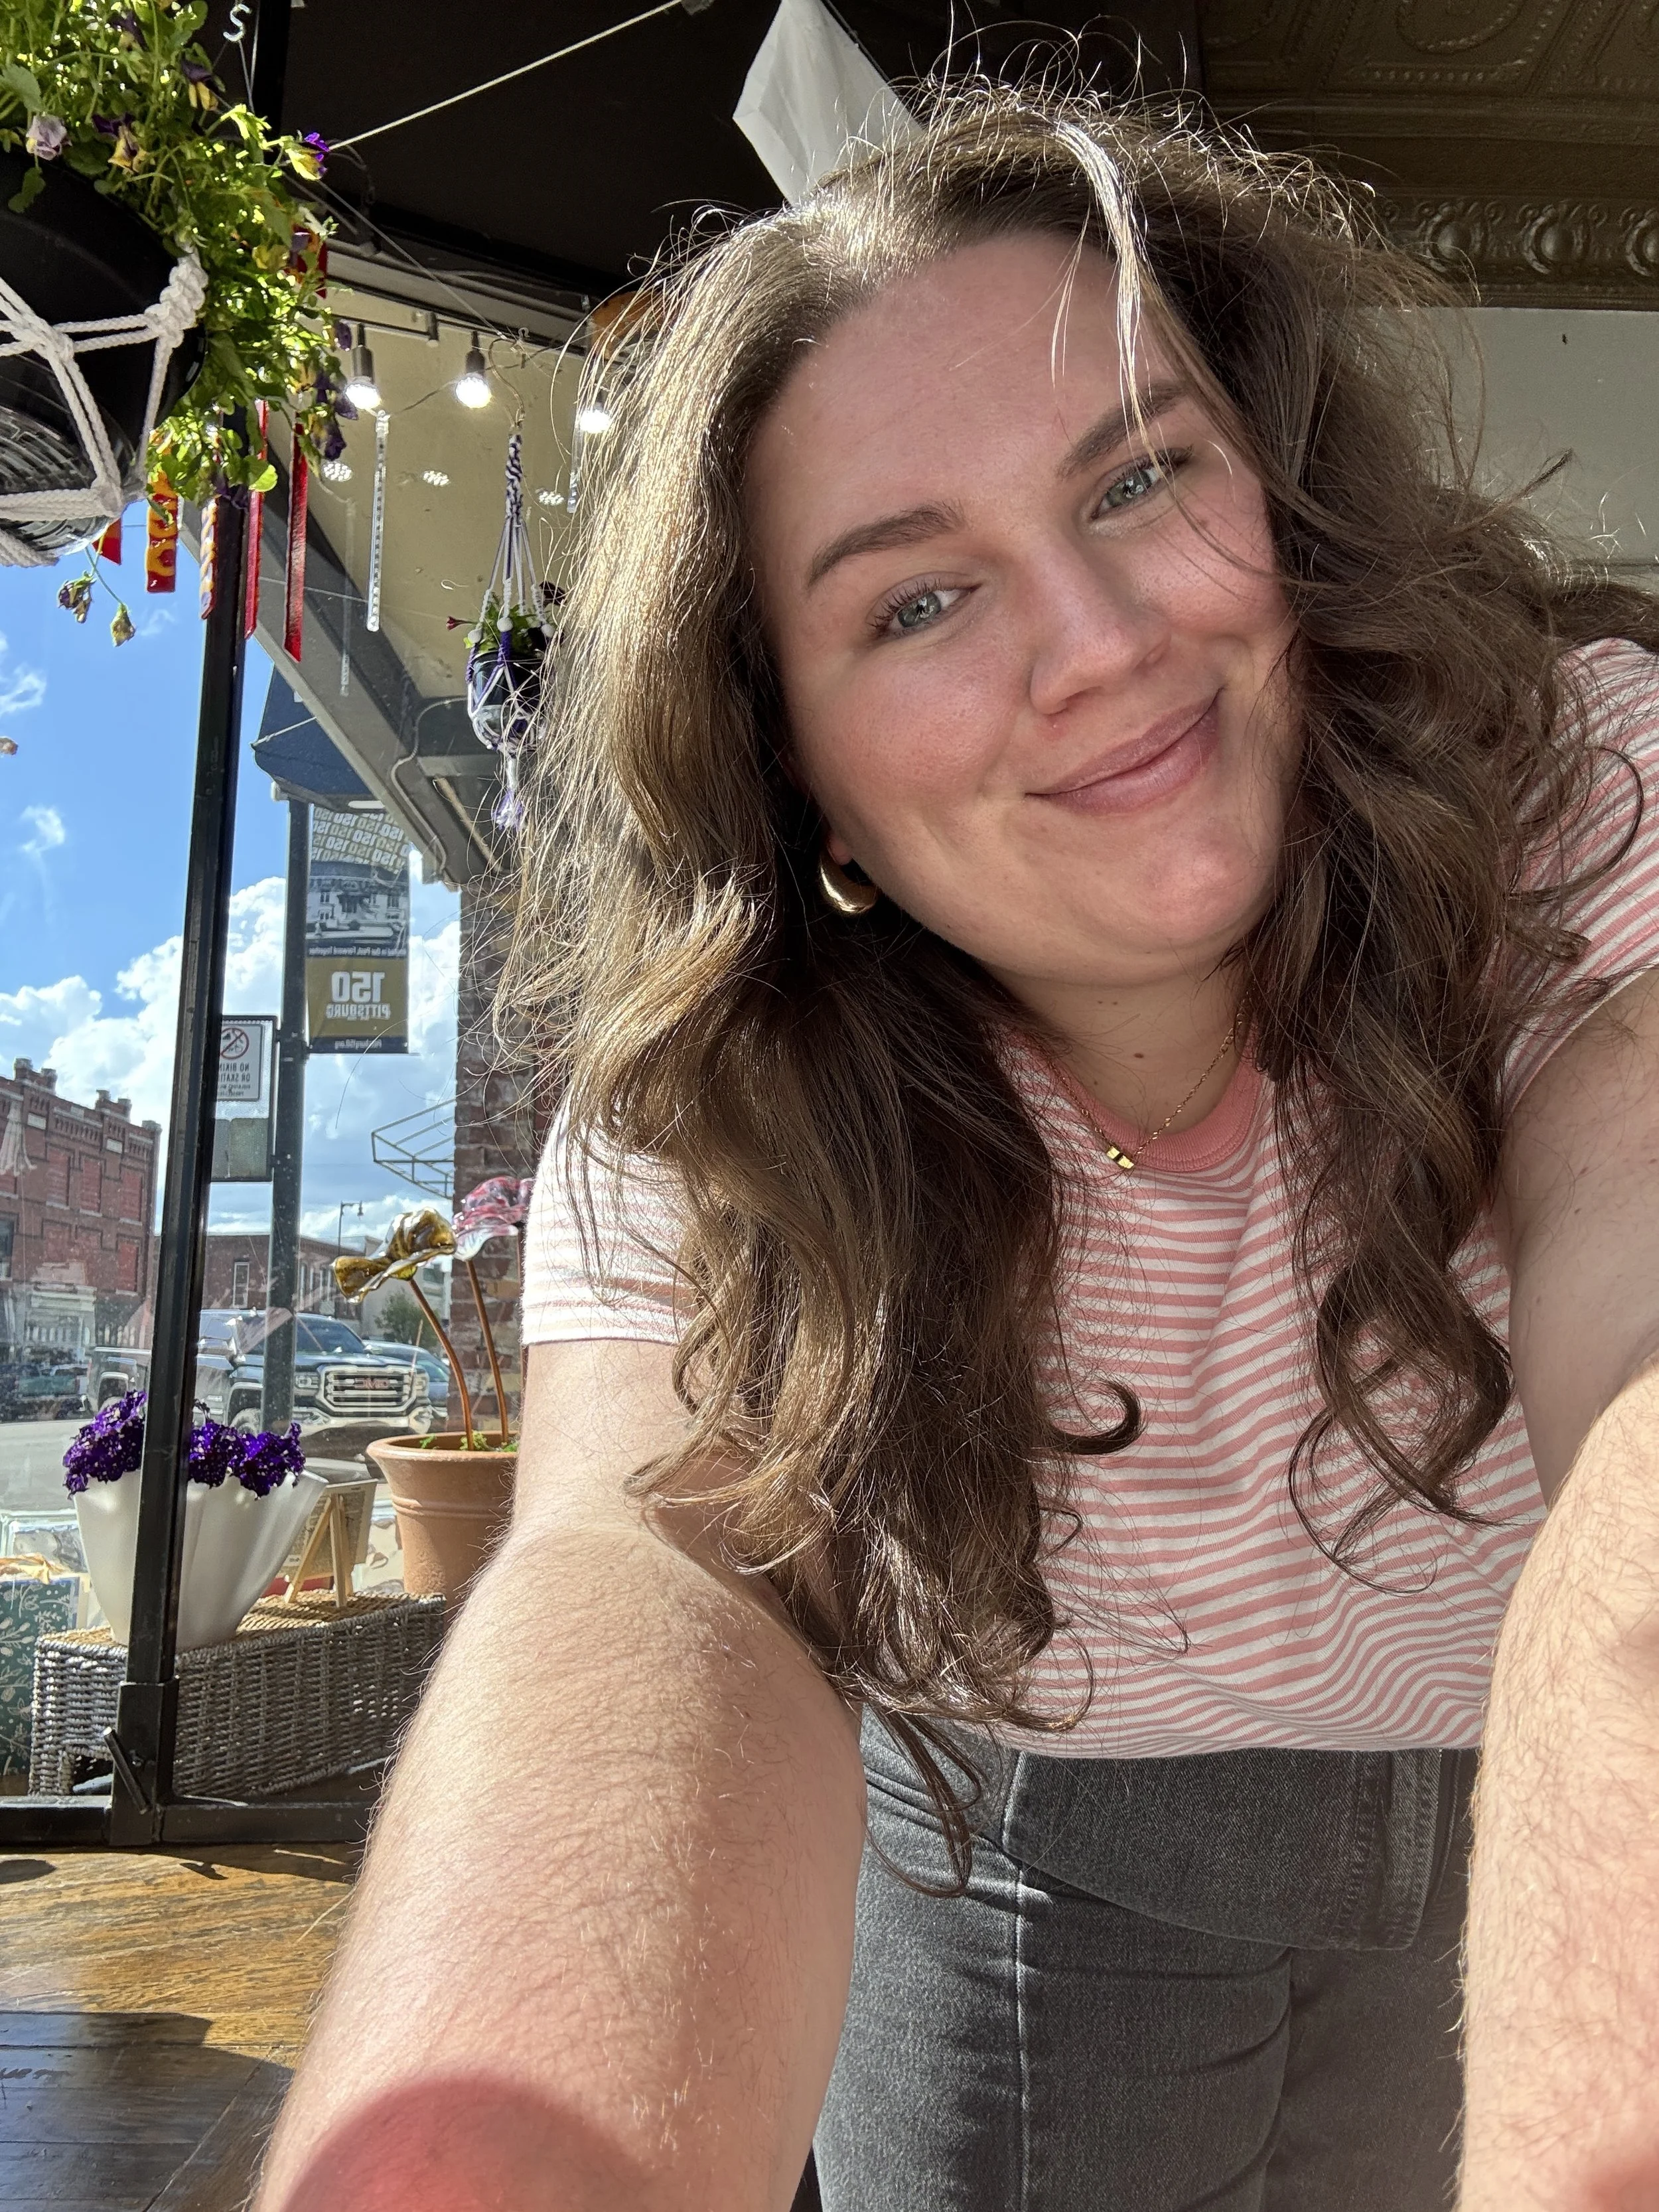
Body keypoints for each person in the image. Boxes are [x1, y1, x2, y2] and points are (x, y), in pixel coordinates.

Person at [255, 87, 1659, 2212]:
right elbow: (657, 1569)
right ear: (795, 775)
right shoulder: (726, 1082)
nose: (1097, 643)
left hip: (1501, 1793)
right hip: (1027, 1834)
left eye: (1142, 476)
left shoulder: (1574, 801)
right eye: (913, 603)